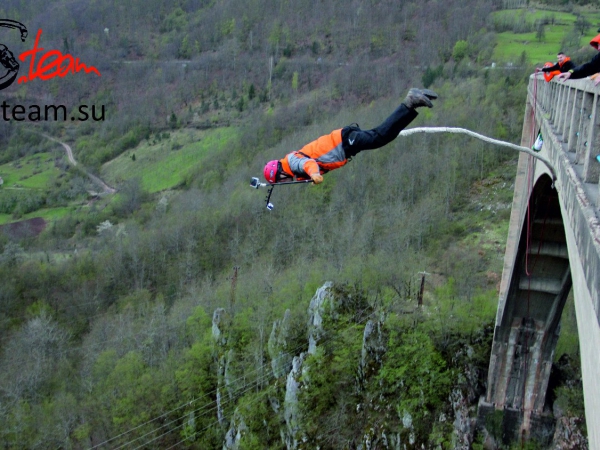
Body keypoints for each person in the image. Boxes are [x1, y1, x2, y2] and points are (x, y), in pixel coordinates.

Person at [263, 88, 438, 185]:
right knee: (384, 137)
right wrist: (311, 177)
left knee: (379, 137)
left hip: (344, 142)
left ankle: (410, 102)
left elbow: (308, 163)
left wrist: (314, 174)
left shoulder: (291, 162)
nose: (283, 182)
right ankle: (411, 104)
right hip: (345, 145)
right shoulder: (292, 167)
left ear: (279, 173)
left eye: (279, 181)